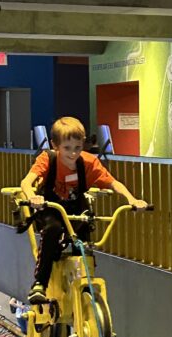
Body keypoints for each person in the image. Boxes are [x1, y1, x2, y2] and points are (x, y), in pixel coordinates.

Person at [19, 116, 148, 304]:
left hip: (76, 208)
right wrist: (33, 197)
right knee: (52, 230)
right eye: (67, 148)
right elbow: (26, 182)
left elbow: (113, 183)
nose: (73, 154)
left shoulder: (88, 162)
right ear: (55, 145)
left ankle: (86, 281)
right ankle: (40, 283)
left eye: (78, 148)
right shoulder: (48, 159)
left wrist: (132, 199)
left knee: (84, 239)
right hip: (51, 207)